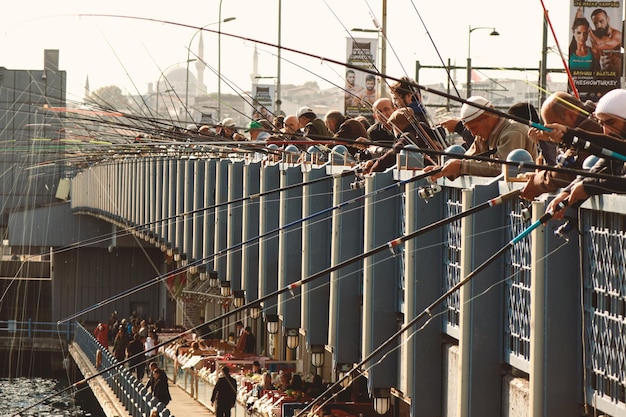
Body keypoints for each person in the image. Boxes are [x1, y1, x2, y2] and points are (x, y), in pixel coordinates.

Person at [539, 88, 626, 219]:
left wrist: (589, 186)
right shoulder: (614, 152)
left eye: (611, 122)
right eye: (601, 123)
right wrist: (567, 193)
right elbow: (595, 171)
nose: (606, 130)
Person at [425, 96, 537, 180]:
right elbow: (467, 159)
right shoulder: (484, 134)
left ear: (487, 119)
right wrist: (441, 170)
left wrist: (461, 166)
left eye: (473, 127)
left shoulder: (513, 132)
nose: (473, 134)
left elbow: (502, 168)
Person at [520, 91, 602, 200]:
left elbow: (566, 173)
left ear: (570, 115)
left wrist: (537, 181)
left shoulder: (591, 128)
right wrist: (553, 139)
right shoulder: (586, 122)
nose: (550, 131)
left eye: (553, 126)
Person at [588, 8, 622, 72]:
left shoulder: (617, 35)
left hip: (615, 76)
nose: (599, 25)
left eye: (601, 21)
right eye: (595, 23)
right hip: (600, 74)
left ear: (608, 19)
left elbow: (601, 44)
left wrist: (590, 33)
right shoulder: (595, 35)